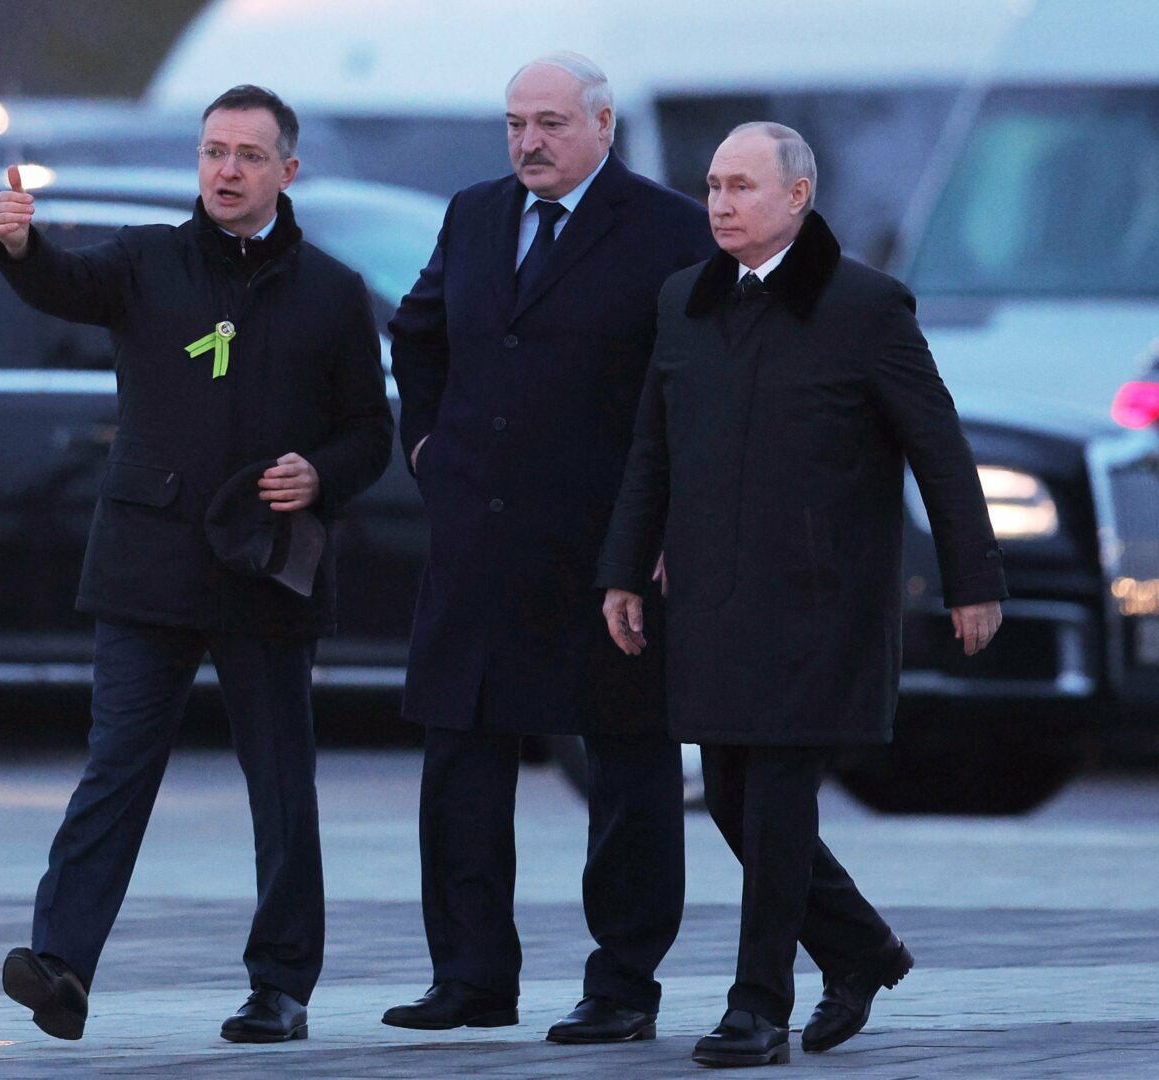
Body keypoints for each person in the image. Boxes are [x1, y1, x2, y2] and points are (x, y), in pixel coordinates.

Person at [0, 84, 391, 1044]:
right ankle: (60, 965)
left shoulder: (332, 291)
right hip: (150, 561)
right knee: (117, 765)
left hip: (267, 565)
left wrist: (320, 475)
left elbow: (369, 433)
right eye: (214, 151)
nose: (227, 170)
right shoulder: (145, 260)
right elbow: (62, 283)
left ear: (287, 170)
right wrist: (19, 245)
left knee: (280, 785)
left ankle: (281, 986)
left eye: (249, 155)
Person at [597, 122, 1006, 1068]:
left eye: (742, 186)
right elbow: (652, 448)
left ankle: (758, 1009)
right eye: (713, 186)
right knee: (734, 802)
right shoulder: (685, 301)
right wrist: (624, 568)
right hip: (713, 595)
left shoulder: (866, 306)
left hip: (822, 600)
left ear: (797, 196)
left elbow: (938, 446)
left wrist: (973, 579)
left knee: (778, 797)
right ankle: (861, 949)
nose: (721, 204)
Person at [384, 53, 715, 1043]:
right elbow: (418, 334)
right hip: (478, 540)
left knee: (626, 765)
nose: (528, 142)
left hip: (606, 545)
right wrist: (428, 447)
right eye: (515, 123)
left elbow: (698, 385)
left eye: (551, 124)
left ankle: (622, 987)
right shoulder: (475, 214)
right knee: (460, 756)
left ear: (603, 127)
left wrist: (667, 522)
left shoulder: (669, 229)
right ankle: (471, 978)